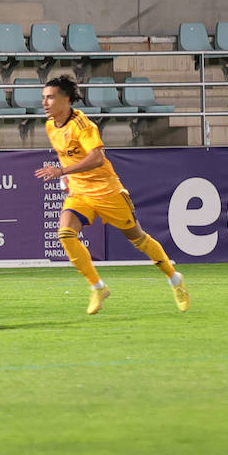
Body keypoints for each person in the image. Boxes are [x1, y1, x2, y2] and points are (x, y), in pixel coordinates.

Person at [33, 76, 188, 314]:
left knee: (138, 239)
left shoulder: (83, 125)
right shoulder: (51, 125)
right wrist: (68, 178)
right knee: (65, 233)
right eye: (43, 97)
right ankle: (98, 287)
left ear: (65, 99)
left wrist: (62, 171)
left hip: (107, 192)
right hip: (80, 193)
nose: (45, 102)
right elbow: (70, 156)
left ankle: (174, 279)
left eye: (50, 97)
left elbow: (97, 158)